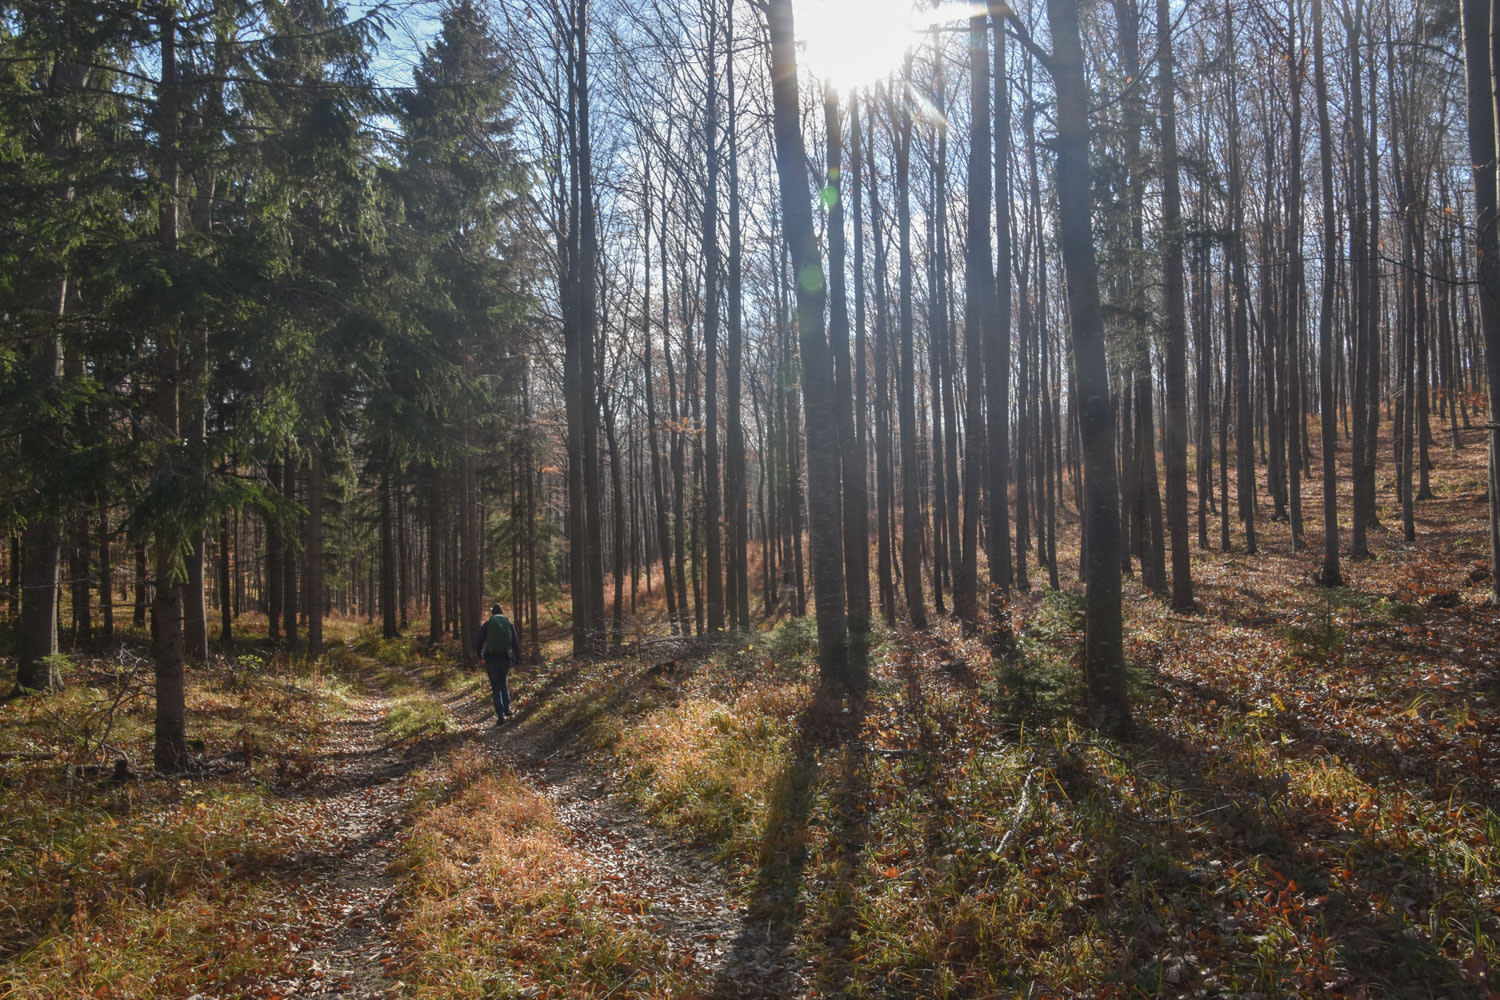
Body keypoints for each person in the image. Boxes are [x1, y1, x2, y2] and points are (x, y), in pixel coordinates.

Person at [475, 602, 521, 725]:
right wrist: (518, 658)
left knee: (496, 687)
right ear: (501, 612)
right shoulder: (508, 624)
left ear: (492, 613)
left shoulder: (488, 624)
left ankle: (500, 716)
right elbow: (515, 642)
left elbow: (479, 642)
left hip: (491, 659)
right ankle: (507, 709)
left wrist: (480, 656)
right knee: (503, 681)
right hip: (505, 658)